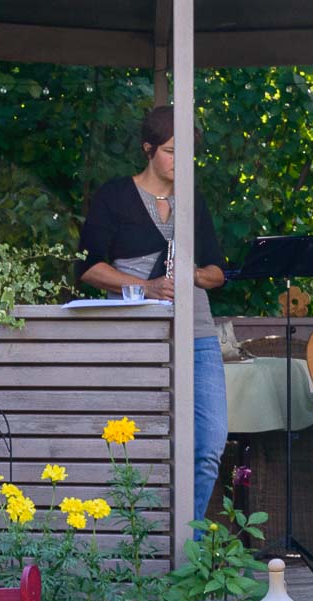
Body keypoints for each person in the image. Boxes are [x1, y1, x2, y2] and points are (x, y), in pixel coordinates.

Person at [79, 105, 227, 525]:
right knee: (143, 446)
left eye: (188, 153)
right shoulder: (115, 195)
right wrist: (144, 286)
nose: (180, 162)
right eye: (170, 151)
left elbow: (218, 271)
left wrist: (192, 274)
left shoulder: (192, 199)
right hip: (136, 338)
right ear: (148, 149)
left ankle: (187, 549)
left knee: (209, 444)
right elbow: (87, 267)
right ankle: (148, 547)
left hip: (197, 335)